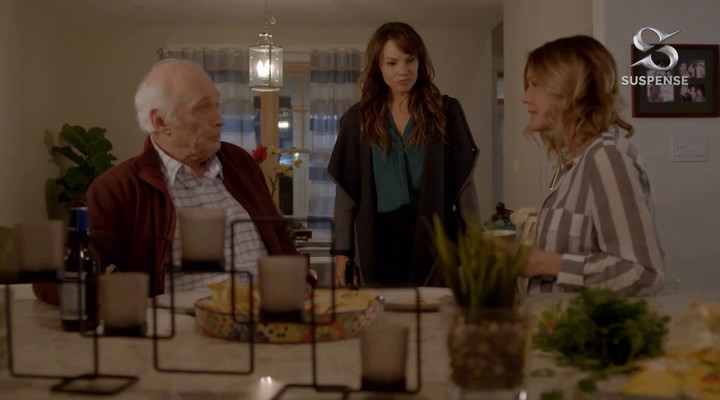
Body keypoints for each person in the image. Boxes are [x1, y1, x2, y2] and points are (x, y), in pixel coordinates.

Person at [33, 59, 314, 306]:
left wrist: (302, 280)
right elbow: (56, 275)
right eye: (203, 108)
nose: (220, 119)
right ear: (160, 121)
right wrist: (111, 300)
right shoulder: (117, 188)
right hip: (183, 332)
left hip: (270, 317)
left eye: (216, 106)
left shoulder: (239, 163)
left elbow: (277, 235)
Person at [327, 22, 480, 288]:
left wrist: (478, 243)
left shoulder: (445, 112)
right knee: (382, 310)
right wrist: (342, 252)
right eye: (392, 63)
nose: (403, 71)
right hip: (377, 240)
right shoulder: (358, 118)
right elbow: (346, 193)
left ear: (420, 61)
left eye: (410, 60)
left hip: (433, 239)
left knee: (432, 310)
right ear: (378, 66)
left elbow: (465, 185)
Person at [517, 35, 665, 296]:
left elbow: (642, 272)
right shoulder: (579, 162)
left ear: (571, 89)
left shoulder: (607, 158)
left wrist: (540, 263)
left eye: (535, 85)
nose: (525, 97)